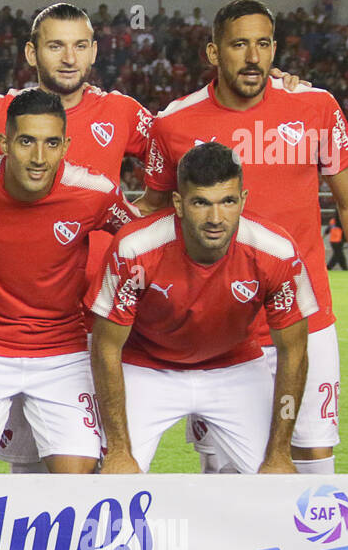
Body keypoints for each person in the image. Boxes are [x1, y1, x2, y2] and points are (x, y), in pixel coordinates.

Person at [140, 0, 348, 475]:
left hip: (306, 317)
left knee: (313, 459)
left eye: (263, 44)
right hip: (217, 327)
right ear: (213, 53)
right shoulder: (174, 123)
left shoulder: (315, 107)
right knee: (225, 468)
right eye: (239, 44)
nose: (254, 57)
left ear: (276, 49)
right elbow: (153, 212)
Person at [0, 2, 153, 472]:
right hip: (0, 328)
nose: (68, 57)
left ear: (94, 52)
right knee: (23, 468)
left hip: (93, 326)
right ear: (31, 53)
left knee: (83, 474)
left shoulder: (122, 112)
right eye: (55, 45)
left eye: (80, 46)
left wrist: (277, 89)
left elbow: (189, 148)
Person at [0, 88, 139, 473]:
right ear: (4, 143)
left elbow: (145, 239)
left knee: (76, 488)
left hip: (61, 353)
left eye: (51, 144)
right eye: (26, 142)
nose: (38, 158)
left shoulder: (94, 192)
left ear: (66, 145)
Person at [89, 143, 314, 474]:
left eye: (228, 202)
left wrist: (279, 451)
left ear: (243, 200)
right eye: (201, 203)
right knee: (114, 478)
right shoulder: (134, 248)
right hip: (147, 366)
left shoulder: (276, 252)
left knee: (278, 483)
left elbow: (294, 352)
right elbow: (106, 346)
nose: (215, 218)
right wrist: (120, 449)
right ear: (178, 203)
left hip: (235, 366)